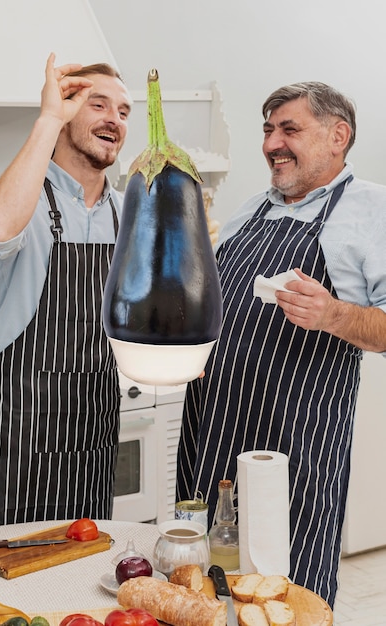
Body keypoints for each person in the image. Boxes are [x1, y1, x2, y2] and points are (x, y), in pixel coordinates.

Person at [176, 81, 386, 608]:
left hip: (297, 437)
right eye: (268, 130)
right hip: (214, 424)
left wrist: (333, 313)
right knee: (207, 576)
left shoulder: (371, 210)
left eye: (289, 129)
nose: (272, 143)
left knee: (288, 582)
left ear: (339, 136)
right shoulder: (254, 208)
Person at [0, 53, 133, 530]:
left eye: (123, 112)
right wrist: (47, 119)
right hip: (18, 432)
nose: (114, 120)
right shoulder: (21, 196)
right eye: (97, 105)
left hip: (93, 434)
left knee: (79, 584)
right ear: (65, 111)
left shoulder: (129, 212)